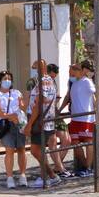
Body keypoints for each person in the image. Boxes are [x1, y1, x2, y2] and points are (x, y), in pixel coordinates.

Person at [26, 59, 63, 188]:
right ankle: (46, 176)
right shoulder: (48, 81)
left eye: (35, 67)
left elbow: (38, 104)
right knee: (39, 150)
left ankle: (51, 176)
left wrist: (29, 124)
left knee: (36, 150)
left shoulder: (43, 81)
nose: (33, 70)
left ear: (42, 68)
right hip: (46, 120)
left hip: (41, 121)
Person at [0, 71, 28, 188]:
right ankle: (9, 177)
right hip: (6, 125)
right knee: (9, 150)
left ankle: (22, 175)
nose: (7, 81)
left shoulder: (16, 92)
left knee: (21, 149)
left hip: (19, 123)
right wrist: (11, 116)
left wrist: (26, 98)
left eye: (9, 78)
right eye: (5, 78)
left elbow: (22, 107)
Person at [66, 61, 96, 177]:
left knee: (88, 142)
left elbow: (94, 95)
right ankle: (84, 165)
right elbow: (68, 97)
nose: (71, 75)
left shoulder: (87, 82)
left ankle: (88, 168)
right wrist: (60, 109)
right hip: (75, 117)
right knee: (75, 143)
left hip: (86, 117)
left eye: (72, 73)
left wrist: (98, 111)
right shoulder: (73, 83)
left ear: (78, 71)